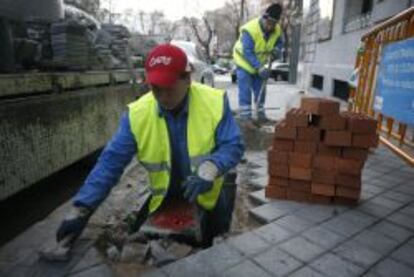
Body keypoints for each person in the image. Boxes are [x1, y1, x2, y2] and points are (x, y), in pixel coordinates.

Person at [55, 44, 245, 247]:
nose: (163, 97)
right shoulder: (137, 115)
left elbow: (233, 145)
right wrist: (82, 208)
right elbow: (110, 163)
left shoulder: (213, 102)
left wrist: (210, 169)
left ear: (187, 79)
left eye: (169, 88)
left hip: (208, 193)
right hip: (165, 196)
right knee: (150, 237)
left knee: (215, 239)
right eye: (156, 89)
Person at [233, 3, 284, 128]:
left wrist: (277, 50)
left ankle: (261, 117)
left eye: (273, 24)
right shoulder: (250, 30)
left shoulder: (276, 30)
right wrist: (259, 67)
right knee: (245, 90)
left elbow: (280, 42)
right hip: (244, 62)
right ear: (264, 18)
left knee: (261, 89)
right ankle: (246, 119)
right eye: (269, 23)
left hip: (259, 63)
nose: (270, 27)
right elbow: (248, 52)